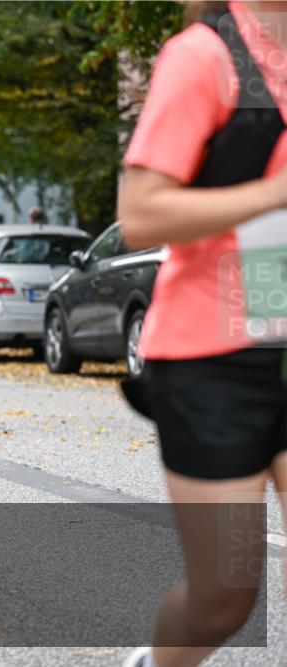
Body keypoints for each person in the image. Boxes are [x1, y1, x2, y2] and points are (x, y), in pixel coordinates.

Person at [116, 3, 287, 666]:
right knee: (226, 596)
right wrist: (274, 194)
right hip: (213, 357)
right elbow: (141, 213)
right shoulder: (206, 57)